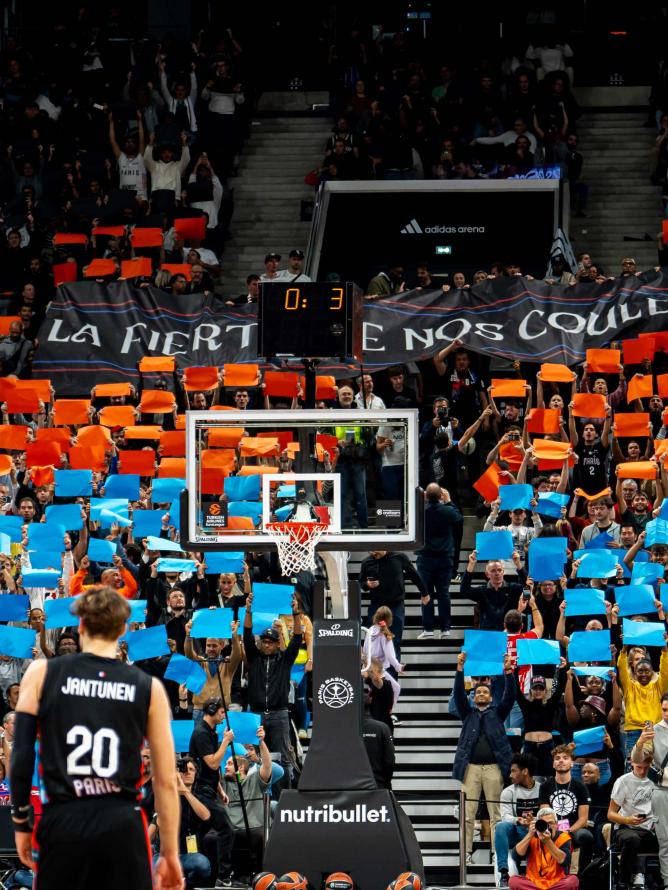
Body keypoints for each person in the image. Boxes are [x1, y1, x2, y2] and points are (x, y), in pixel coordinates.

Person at [10, 586, 183, 890]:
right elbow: (166, 780)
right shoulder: (148, 687)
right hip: (121, 823)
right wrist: (169, 854)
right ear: (123, 629)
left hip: (64, 818)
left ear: (81, 625)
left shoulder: (40, 673)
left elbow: (22, 752)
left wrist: (21, 822)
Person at [453, 649, 515, 863]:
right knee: (468, 813)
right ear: (473, 697)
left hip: (493, 768)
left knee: (495, 813)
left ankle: (496, 853)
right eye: (477, 692)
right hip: (470, 768)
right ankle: (466, 854)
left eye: (484, 692)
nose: (480, 694)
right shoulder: (467, 714)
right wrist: (459, 670)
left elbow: (510, 697)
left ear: (490, 697)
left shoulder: (498, 713)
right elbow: (459, 695)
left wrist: (508, 673)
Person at [243, 591, 303, 789]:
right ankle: (261, 796)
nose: (266, 645)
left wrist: (295, 614)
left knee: (283, 758)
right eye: (264, 641)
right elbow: (247, 634)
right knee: (256, 758)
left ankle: (284, 797)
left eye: (271, 642)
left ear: (278, 644)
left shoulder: (285, 660)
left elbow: (296, 637)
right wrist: (249, 610)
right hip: (256, 714)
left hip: (279, 714)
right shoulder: (254, 658)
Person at [188, 698, 235, 885]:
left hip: (208, 790)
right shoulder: (201, 733)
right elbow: (213, 763)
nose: (224, 715)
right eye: (222, 712)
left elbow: (211, 769)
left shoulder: (209, 732)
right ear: (213, 710)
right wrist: (225, 742)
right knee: (226, 829)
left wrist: (220, 789)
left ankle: (198, 876)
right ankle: (224, 877)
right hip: (200, 793)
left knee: (198, 833)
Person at [358, 551, 429, 662]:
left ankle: (392, 676)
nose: (373, 552)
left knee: (394, 641)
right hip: (376, 605)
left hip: (396, 605)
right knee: (371, 639)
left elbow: (414, 575)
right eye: (370, 549)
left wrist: (424, 593)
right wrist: (367, 584)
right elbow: (361, 582)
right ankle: (372, 675)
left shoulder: (399, 557)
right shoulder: (367, 562)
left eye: (375, 549)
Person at [631, 695, 668, 889]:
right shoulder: (654, 731)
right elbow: (637, 759)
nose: (667, 714)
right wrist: (639, 742)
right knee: (666, 841)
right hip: (662, 791)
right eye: (664, 709)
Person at [416, 483, 463, 638]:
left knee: (426, 593)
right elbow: (459, 519)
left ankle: (428, 629)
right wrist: (449, 501)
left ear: (426, 496)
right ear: (441, 495)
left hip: (426, 558)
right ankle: (445, 629)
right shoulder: (448, 510)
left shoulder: (420, 511)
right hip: (444, 558)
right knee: (443, 593)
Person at [539, 745, 593, 874]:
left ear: (572, 763)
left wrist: (569, 830)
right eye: (557, 758)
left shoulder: (580, 786)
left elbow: (583, 818)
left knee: (586, 836)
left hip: (573, 828)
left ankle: (582, 876)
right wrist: (556, 829)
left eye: (565, 758)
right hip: (552, 828)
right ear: (553, 764)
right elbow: (545, 814)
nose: (561, 761)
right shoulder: (545, 786)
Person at [607, 752, 658, 889]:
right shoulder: (623, 781)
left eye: (646, 768)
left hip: (649, 829)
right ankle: (624, 881)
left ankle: (661, 880)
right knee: (632, 838)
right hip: (625, 828)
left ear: (651, 765)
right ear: (632, 763)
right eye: (639, 767)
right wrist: (628, 819)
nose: (642, 771)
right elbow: (610, 814)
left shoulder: (657, 780)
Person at [495, 753, 543, 888]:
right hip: (517, 831)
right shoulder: (508, 792)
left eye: (513, 771)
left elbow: (547, 814)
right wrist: (519, 820)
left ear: (525, 771)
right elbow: (505, 816)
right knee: (500, 826)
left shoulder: (541, 789)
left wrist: (535, 820)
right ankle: (504, 873)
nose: (510, 775)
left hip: (537, 832)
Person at [509, 806, 578, 890]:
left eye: (550, 823)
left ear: (556, 824)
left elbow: (564, 861)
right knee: (514, 881)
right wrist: (530, 834)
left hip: (556, 881)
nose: (547, 826)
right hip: (533, 882)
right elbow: (515, 856)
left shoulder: (563, 837)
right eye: (544, 823)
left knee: (572, 881)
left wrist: (548, 841)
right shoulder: (532, 836)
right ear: (538, 824)